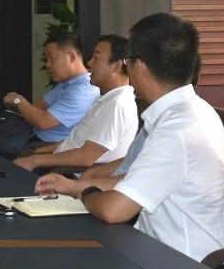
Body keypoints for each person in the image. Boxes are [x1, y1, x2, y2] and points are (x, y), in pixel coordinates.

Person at [35, 13, 224, 262]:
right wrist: (71, 186)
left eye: (128, 60)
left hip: (190, 268)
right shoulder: (190, 112)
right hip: (169, 253)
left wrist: (85, 192)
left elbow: (113, 210)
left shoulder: (177, 130)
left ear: (140, 66)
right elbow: (134, 181)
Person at [13, 35, 137, 173]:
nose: (89, 63)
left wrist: (34, 160)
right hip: (61, 160)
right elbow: (75, 141)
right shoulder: (108, 100)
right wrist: (37, 152)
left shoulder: (117, 105)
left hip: (70, 174)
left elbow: (86, 157)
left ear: (116, 66)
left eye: (96, 57)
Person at [0, 34, 99, 158]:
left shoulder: (82, 92)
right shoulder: (67, 83)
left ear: (71, 57)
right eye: (47, 59)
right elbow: (37, 109)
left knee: (0, 158)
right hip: (33, 138)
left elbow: (42, 122)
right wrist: (26, 107)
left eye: (52, 58)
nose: (48, 65)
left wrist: (18, 100)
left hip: (50, 148)